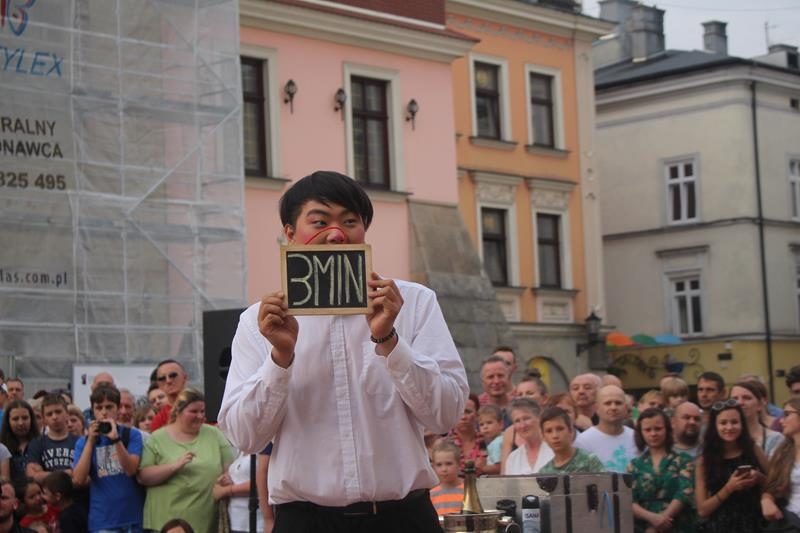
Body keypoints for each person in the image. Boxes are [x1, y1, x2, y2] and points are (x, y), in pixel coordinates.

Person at [217, 171, 468, 533]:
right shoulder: (261, 321)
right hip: (306, 521)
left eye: (350, 222)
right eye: (319, 222)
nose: (336, 234)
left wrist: (389, 341)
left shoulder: (413, 303)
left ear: (364, 231)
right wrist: (280, 359)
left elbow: (445, 416)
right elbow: (245, 437)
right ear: (290, 233)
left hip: (402, 517)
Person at [139, 388, 233, 533]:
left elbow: (230, 467)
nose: (200, 416)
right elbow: (143, 477)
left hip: (205, 522)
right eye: (194, 411)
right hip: (167, 524)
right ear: (178, 411)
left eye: (202, 411)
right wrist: (175, 465)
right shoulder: (157, 438)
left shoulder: (214, 434)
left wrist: (226, 478)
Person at [72, 383, 144, 532]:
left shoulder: (131, 435)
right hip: (103, 521)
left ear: (117, 408)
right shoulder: (83, 442)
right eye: (99, 408)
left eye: (109, 407)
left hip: (132, 520)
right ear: (93, 410)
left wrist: (116, 439)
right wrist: (90, 441)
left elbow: (131, 470)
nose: (104, 412)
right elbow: (78, 480)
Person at [695, 400, 768, 533]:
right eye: (723, 423)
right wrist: (729, 488)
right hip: (721, 526)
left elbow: (775, 484)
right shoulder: (704, 461)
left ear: (742, 424)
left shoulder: (753, 449)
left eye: (734, 422)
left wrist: (759, 478)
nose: (729, 427)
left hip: (756, 523)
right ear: (714, 426)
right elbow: (702, 511)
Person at [628, 408, 695, 533]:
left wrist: (659, 523)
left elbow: (684, 493)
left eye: (658, 429)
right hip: (643, 528)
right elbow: (629, 499)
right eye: (648, 430)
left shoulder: (684, 461)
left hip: (678, 526)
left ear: (667, 429)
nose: (653, 434)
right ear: (641, 433)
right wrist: (652, 518)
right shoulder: (634, 465)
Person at [575, 385, 637, 473]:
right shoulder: (583, 441)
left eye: (618, 403)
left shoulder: (637, 437)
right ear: (597, 408)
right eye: (607, 403)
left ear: (626, 408)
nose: (613, 407)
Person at [761, 397, 800, 528]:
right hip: (792, 522)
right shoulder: (782, 451)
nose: (781, 420)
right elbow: (771, 487)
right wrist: (766, 501)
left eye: (787, 414)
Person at [214, 445, 272, 533]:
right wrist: (227, 480)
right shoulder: (240, 449)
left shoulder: (263, 447)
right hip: (236, 519)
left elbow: (262, 481)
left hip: (257, 520)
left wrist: (227, 491)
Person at [25, 394, 78, 483]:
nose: (54, 417)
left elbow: (84, 477)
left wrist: (44, 474)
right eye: (49, 414)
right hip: (46, 492)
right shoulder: (36, 444)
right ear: (44, 419)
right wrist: (69, 473)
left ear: (67, 414)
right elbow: (33, 476)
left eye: (58, 412)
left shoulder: (80, 442)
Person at [538, 406, 604, 474]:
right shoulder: (545, 473)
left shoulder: (589, 461)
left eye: (560, 429)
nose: (555, 436)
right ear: (543, 436)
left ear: (570, 431)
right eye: (549, 431)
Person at [729, 380, 784, 456]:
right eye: (735, 399)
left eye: (747, 398)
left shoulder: (775, 439)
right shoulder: (725, 439)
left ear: (760, 405)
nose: (740, 402)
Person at [503, 398, 553, 475]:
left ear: (539, 418)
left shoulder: (554, 450)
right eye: (517, 421)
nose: (522, 425)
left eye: (526, 418)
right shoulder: (513, 458)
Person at [0, 401, 38, 486]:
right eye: (15, 419)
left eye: (25, 418)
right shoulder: (2, 448)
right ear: (8, 421)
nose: (21, 423)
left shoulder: (41, 444)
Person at [448, 394, 487, 475]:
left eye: (468, 412)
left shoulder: (488, 441)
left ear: (477, 415)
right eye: (459, 412)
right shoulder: (444, 444)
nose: (463, 417)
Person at [149, 360, 189, 432]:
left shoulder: (203, 408)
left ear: (185, 377)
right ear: (159, 384)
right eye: (162, 379)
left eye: (173, 375)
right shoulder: (158, 420)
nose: (168, 381)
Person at [429, 441, 463, 517]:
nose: (444, 469)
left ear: (459, 464)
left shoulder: (468, 491)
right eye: (439, 465)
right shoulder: (431, 495)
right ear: (433, 467)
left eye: (448, 464)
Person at [477, 404, 504, 474]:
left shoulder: (496, 443)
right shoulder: (502, 439)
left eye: (489, 423)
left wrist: (482, 468)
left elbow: (499, 467)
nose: (485, 427)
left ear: (500, 424)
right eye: (481, 424)